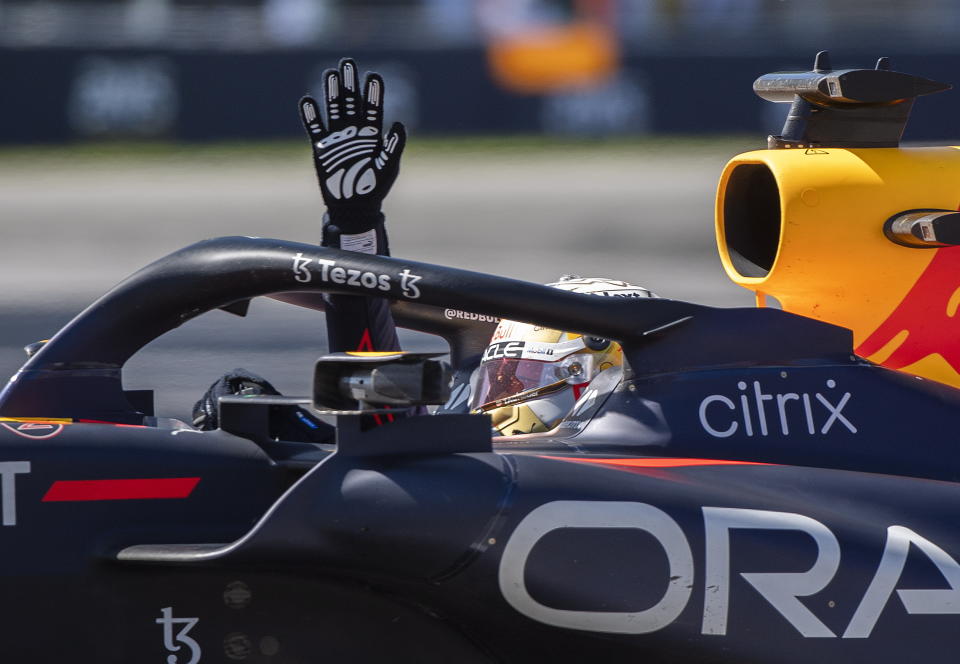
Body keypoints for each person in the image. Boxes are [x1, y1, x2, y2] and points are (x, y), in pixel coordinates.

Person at [193, 58, 652, 438]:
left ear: (583, 381)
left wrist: (353, 232)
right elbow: (382, 407)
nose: (491, 393)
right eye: (500, 375)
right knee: (238, 402)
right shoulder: (464, 446)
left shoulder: (605, 471)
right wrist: (350, 232)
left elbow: (380, 428)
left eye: (517, 378)